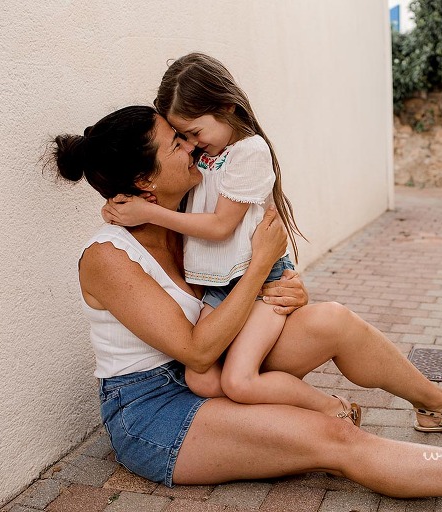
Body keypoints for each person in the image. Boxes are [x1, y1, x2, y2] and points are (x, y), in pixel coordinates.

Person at [49, 104, 442, 503]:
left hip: (212, 373)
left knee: (331, 320)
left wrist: (285, 290)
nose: (189, 146)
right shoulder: (107, 256)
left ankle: (439, 404)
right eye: (174, 143)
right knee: (337, 445)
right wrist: (258, 267)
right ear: (144, 181)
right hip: (156, 414)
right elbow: (198, 349)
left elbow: (236, 297)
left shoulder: (186, 225)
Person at [98, 53, 365, 424]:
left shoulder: (249, 153)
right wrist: (126, 205)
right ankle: (273, 411)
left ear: (225, 107)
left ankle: (330, 409)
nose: (190, 145)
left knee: (240, 381)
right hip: (218, 284)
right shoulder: (210, 154)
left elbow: (222, 226)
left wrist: (148, 211)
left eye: (193, 133)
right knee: (200, 379)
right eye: (180, 138)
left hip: (257, 284)